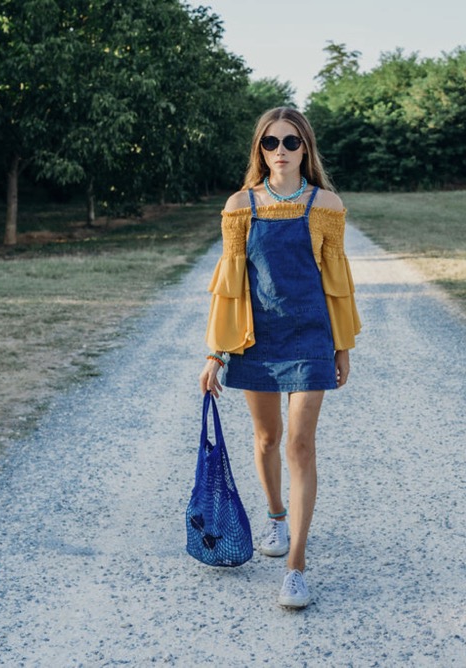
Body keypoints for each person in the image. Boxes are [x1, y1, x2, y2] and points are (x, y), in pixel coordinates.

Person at [198, 107, 361, 609]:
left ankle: (296, 565)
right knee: (267, 437)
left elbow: (336, 282)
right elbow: (229, 286)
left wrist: (342, 345)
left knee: (300, 445)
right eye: (271, 143)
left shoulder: (326, 205)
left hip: (311, 337)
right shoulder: (240, 207)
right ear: (260, 150)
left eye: (292, 142)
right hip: (257, 341)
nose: (282, 151)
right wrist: (215, 354)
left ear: (305, 148)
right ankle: (275, 516)